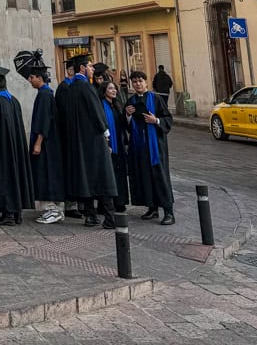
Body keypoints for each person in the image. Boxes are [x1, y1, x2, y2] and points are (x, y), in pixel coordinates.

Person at [59, 53, 117, 227]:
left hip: (78, 141)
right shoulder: (86, 86)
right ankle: (110, 217)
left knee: (85, 178)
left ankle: (91, 215)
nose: (92, 69)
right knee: (103, 177)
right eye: (90, 66)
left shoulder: (70, 88)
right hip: (94, 140)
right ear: (83, 68)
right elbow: (96, 111)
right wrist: (106, 133)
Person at [125, 70, 175, 225]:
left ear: (146, 82)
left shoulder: (157, 98)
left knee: (160, 177)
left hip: (156, 147)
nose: (138, 84)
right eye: (134, 82)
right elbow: (125, 125)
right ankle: (152, 208)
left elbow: (168, 119)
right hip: (139, 147)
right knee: (145, 177)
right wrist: (127, 115)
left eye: (140, 81)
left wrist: (156, 120)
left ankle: (168, 212)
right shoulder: (131, 101)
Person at [0, 65, 34, 225]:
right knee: (16, 177)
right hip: (16, 147)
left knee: (5, 178)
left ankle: (8, 213)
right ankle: (17, 213)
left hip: (2, 148)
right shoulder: (13, 100)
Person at [24, 58, 65, 224]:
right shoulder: (46, 93)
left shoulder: (44, 95)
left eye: (32, 77)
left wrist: (38, 142)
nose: (30, 80)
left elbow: (43, 120)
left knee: (45, 173)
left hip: (45, 143)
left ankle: (52, 208)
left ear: (39, 78)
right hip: (48, 141)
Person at [55, 55, 82, 219]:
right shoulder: (64, 87)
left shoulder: (78, 86)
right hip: (68, 135)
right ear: (71, 71)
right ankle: (71, 204)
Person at [99, 79, 129, 227]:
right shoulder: (101, 105)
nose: (113, 91)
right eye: (110, 88)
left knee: (120, 173)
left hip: (119, 145)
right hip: (108, 146)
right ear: (104, 90)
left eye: (114, 88)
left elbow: (123, 124)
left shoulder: (117, 105)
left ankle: (120, 201)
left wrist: (127, 116)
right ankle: (109, 204)